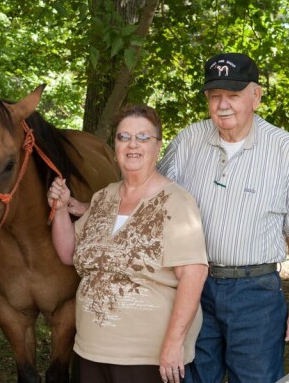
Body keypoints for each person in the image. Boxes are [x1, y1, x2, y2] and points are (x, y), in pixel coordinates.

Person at [158, 53, 289, 382]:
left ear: (255, 97)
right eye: (215, 96)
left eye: (233, 95)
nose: (223, 105)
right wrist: (91, 208)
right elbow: (146, 194)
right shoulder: (188, 140)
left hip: (255, 292)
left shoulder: (283, 148)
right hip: (192, 289)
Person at [47, 104, 208, 383]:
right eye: (124, 137)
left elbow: (193, 276)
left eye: (143, 137)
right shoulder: (103, 197)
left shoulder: (177, 202)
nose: (133, 145)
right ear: (115, 146)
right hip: (89, 349)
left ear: (158, 146)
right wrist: (60, 209)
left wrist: (173, 344)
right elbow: (67, 253)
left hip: (145, 357)